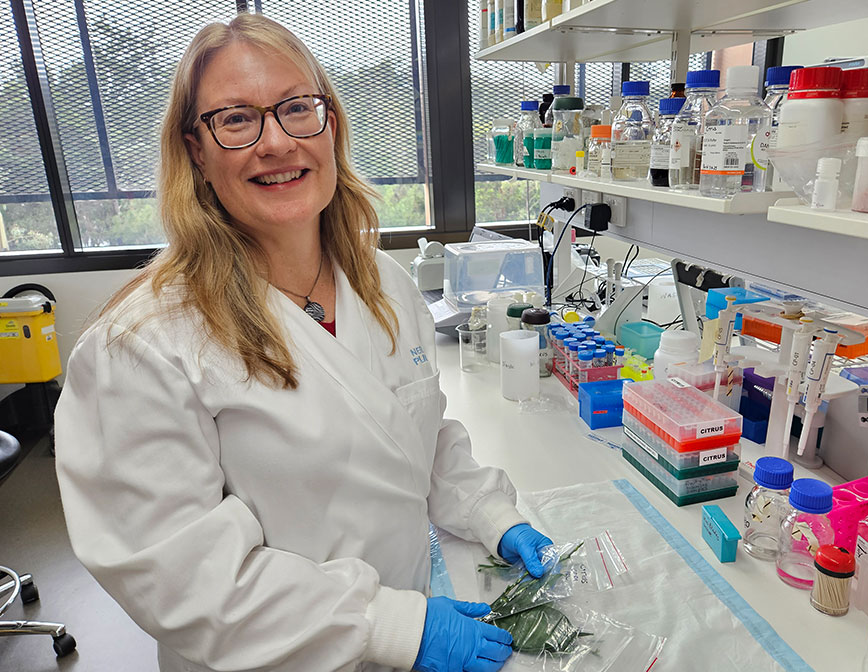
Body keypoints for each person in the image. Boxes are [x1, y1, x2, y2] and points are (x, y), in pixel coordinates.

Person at [54, 14, 552, 672]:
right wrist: (386, 626)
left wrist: (490, 513)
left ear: (331, 125)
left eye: (297, 108)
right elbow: (183, 577)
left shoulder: (383, 285)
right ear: (196, 151)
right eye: (236, 119)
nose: (276, 142)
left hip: (401, 630)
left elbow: (419, 435)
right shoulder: (143, 344)